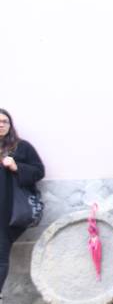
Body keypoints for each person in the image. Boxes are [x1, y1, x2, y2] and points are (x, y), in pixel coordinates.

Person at [0, 109, 44, 301]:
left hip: (8, 213)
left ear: (10, 126)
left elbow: (39, 171)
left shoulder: (22, 147)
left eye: (4, 121)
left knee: (0, 254)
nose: (1, 124)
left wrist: (17, 167)